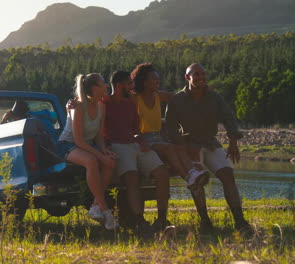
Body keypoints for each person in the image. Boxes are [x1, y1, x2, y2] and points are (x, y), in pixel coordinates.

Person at [165, 63, 251, 232]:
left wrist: (233, 141)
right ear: (187, 77)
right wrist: (184, 147)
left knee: (228, 175)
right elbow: (170, 128)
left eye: (203, 74)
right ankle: (205, 221)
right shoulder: (176, 100)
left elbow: (228, 117)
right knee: (198, 181)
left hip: (211, 142)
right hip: (189, 145)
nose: (200, 78)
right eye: (196, 74)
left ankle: (240, 222)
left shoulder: (214, 97)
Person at [104, 70, 170, 231]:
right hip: (117, 145)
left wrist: (140, 139)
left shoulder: (131, 104)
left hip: (135, 144)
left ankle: (161, 219)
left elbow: (135, 127)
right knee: (132, 178)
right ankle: (140, 221)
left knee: (162, 173)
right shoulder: (105, 103)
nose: (132, 87)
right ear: (119, 86)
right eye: (129, 84)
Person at [131, 63, 209, 190]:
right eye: (154, 79)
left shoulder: (158, 95)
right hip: (144, 139)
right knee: (170, 148)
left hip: (158, 138)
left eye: (158, 78)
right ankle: (189, 178)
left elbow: (179, 96)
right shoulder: (135, 98)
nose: (158, 81)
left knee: (180, 146)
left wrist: (199, 89)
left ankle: (192, 173)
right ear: (144, 83)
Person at [56, 73, 119, 230]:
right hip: (67, 145)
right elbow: (78, 141)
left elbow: (98, 136)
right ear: (93, 88)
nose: (106, 86)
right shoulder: (78, 107)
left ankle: (95, 206)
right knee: (91, 161)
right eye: (103, 83)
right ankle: (106, 211)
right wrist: (99, 156)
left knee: (110, 162)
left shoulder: (101, 106)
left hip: (87, 145)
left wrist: (104, 151)